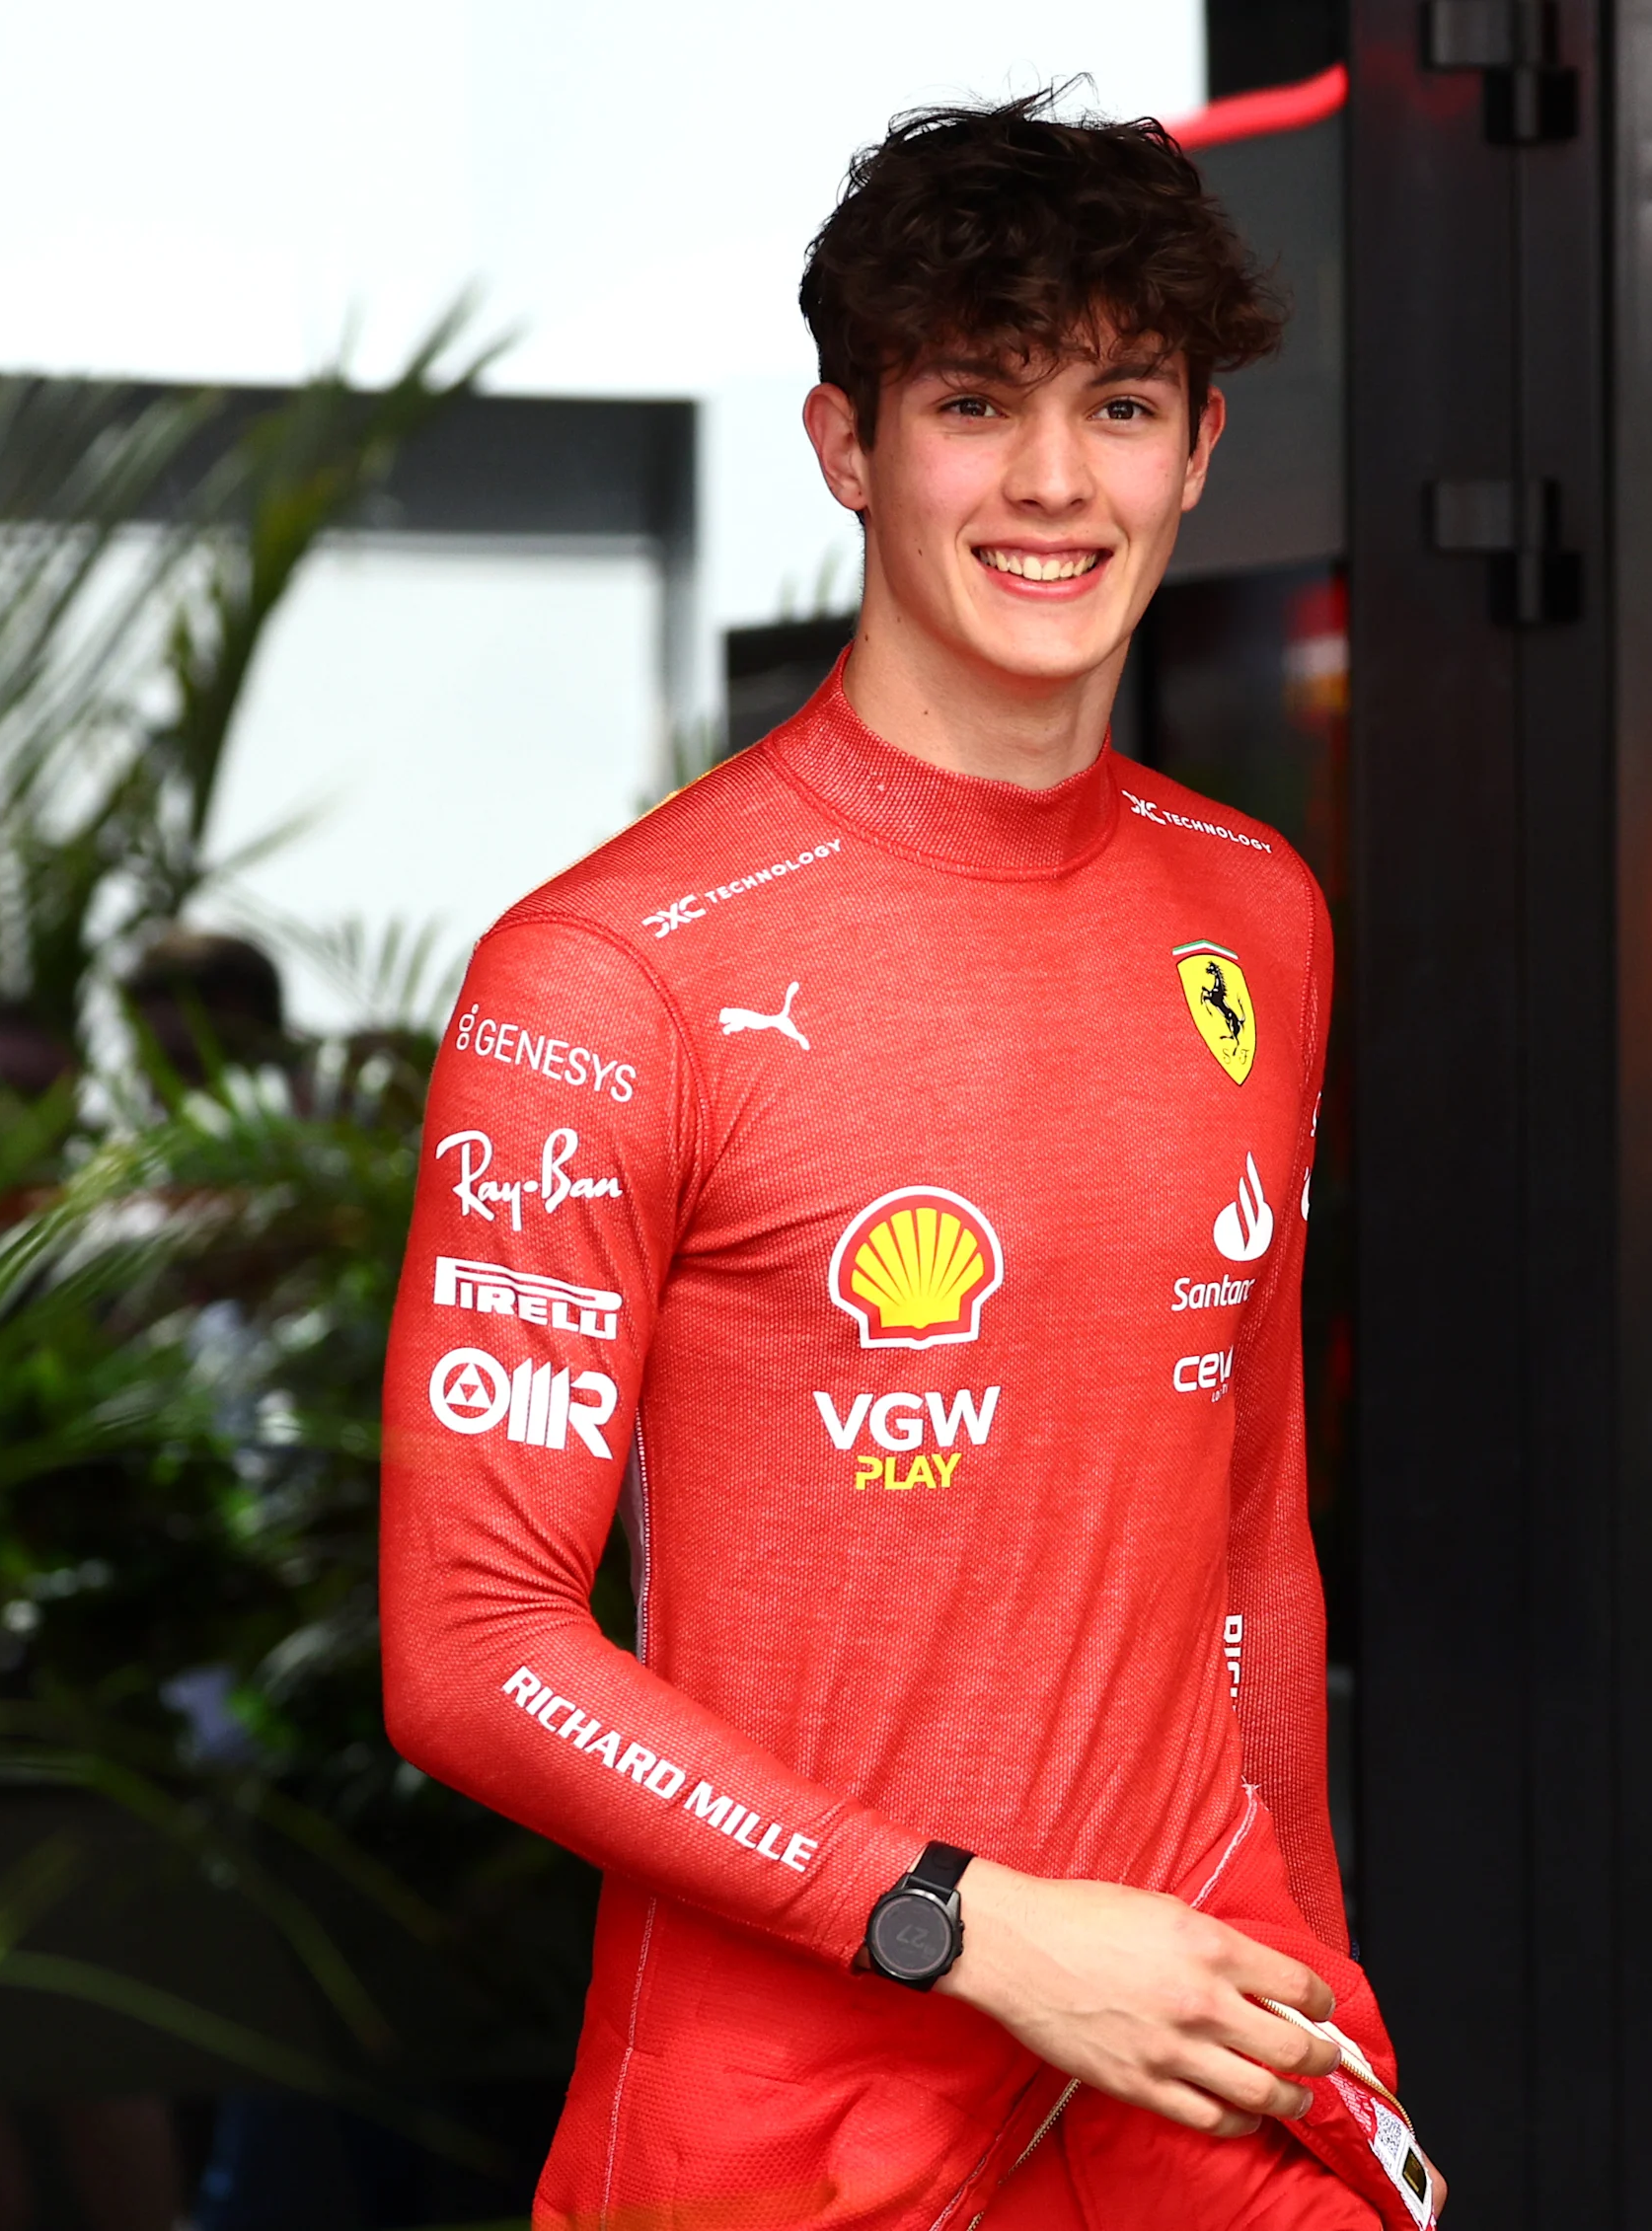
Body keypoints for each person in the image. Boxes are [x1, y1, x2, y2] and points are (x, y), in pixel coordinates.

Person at [381, 97, 1436, 2230]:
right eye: (976, 401)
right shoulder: (604, 973)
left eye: (1120, 403)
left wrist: (1314, 1969)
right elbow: (473, 1644)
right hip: (795, 2086)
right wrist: (970, 1922)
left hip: (1195, 2030)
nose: (1056, 483)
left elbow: (1245, 1529)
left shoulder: (1257, 911)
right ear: (847, 444)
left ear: (1202, 446)